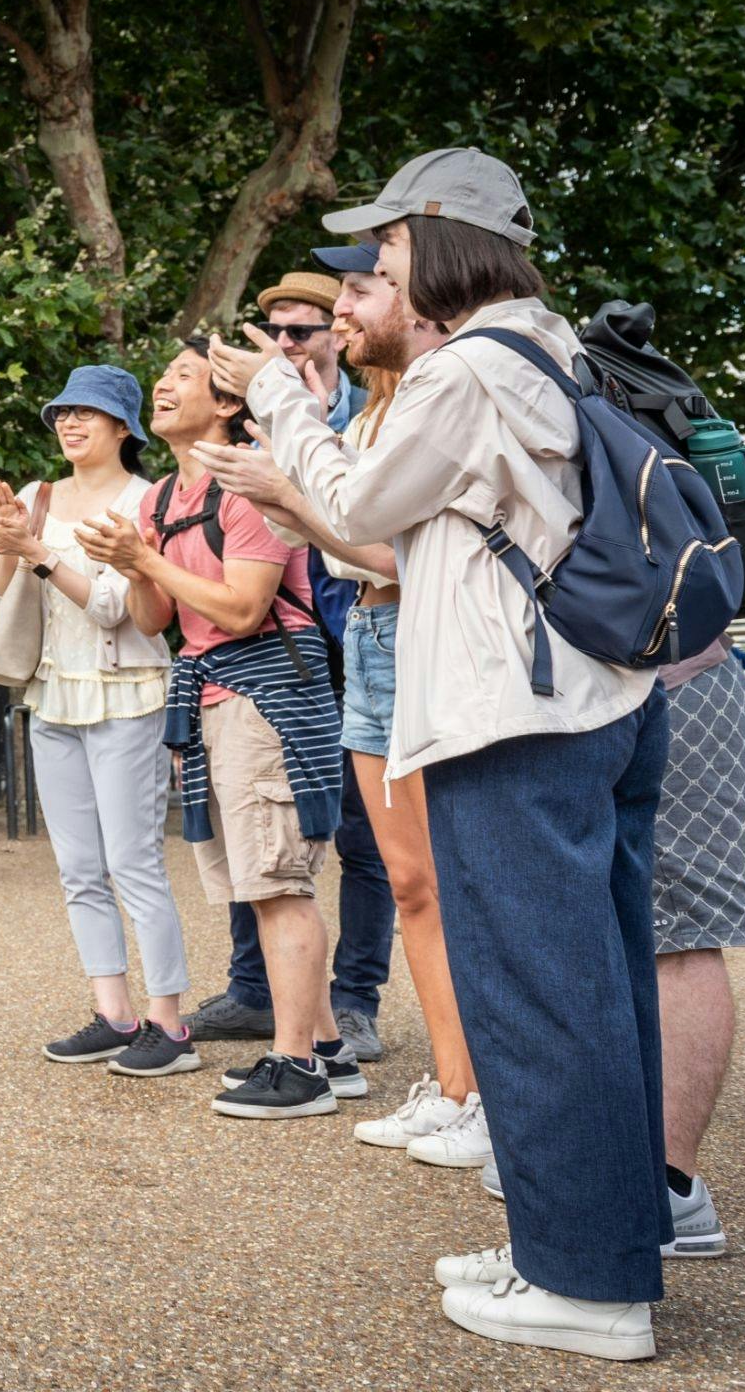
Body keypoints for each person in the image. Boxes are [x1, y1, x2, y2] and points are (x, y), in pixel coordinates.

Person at [215, 148, 667, 1359]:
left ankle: (586, 1284)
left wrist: (281, 401)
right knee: (599, 987)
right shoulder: (548, 347)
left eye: (391, 249)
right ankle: (585, 1242)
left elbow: (360, 513)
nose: (378, 268)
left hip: (514, 717)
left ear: (447, 245)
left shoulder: (470, 368)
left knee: (540, 992)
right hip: (593, 702)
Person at [195, 244, 484, 1165]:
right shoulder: (358, 416)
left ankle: (474, 1090)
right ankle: (452, 1085)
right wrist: (284, 477)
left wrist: (286, 483)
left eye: (351, 299)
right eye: (275, 333)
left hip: (411, 635)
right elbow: (340, 546)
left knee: (439, 883)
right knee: (409, 885)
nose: (303, 336)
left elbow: (391, 553)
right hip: (366, 638)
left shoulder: (430, 399)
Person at [77, 345, 352, 1120]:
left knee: (278, 884)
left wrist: (145, 562)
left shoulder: (248, 485)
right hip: (215, 698)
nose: (162, 386)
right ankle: (328, 1049)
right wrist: (135, 565)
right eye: (162, 376)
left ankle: (298, 1068)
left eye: (183, 377)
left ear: (229, 405)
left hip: (270, 698)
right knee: (255, 884)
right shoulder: (159, 499)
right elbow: (156, 620)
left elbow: (240, 609)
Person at [483, 632, 745, 1263]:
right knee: (629, 933)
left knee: (681, 936)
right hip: (610, 684)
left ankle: (668, 1185)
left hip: (666, 678)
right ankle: (622, 1175)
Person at [183, 269, 397, 1064]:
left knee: (364, 841)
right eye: (272, 333)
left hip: (361, 650)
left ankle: (352, 1002)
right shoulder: (251, 429)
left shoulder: (368, 414)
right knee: (256, 824)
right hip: (284, 661)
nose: (283, 346)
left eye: (301, 332)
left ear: (335, 337)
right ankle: (255, 991)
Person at [0, 365, 189, 1077]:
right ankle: (114, 1012)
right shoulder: (38, 496)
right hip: (52, 696)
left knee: (134, 863)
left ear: (124, 427)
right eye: (62, 412)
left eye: (88, 412)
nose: (70, 423)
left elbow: (116, 607)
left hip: (128, 692)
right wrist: (9, 546)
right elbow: (2, 602)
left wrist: (39, 554)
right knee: (79, 868)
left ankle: (170, 1024)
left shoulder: (148, 500)